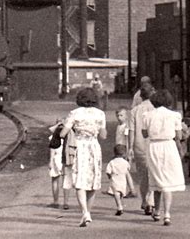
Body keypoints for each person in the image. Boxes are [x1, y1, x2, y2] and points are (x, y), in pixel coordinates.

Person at [60, 88, 107, 227]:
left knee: (79, 179)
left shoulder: (75, 113)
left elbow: (63, 134)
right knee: (93, 181)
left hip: (79, 147)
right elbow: (103, 136)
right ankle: (88, 213)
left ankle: (85, 213)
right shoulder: (100, 114)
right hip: (94, 147)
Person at [142, 89, 186, 227]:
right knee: (168, 181)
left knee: (156, 179)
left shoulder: (147, 115)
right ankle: (167, 214)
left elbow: (144, 134)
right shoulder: (175, 115)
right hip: (169, 146)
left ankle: (157, 211)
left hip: (154, 146)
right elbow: (178, 136)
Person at [128, 84, 155, 215]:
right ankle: (151, 200)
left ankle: (144, 200)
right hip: (154, 144)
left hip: (139, 145)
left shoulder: (134, 111)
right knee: (154, 173)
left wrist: (130, 148)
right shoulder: (156, 109)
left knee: (143, 176)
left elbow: (131, 132)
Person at [48, 120, 72, 209]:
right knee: (66, 181)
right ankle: (66, 202)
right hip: (66, 159)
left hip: (56, 159)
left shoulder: (53, 137)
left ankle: (56, 201)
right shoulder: (70, 136)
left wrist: (50, 161)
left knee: (55, 180)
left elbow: (52, 150)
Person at [106, 144, 135, 215]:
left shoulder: (112, 162)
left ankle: (119, 206)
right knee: (121, 193)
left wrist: (110, 177)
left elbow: (108, 171)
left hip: (115, 179)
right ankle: (121, 205)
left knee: (116, 194)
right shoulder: (125, 162)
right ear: (124, 153)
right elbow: (128, 169)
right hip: (123, 180)